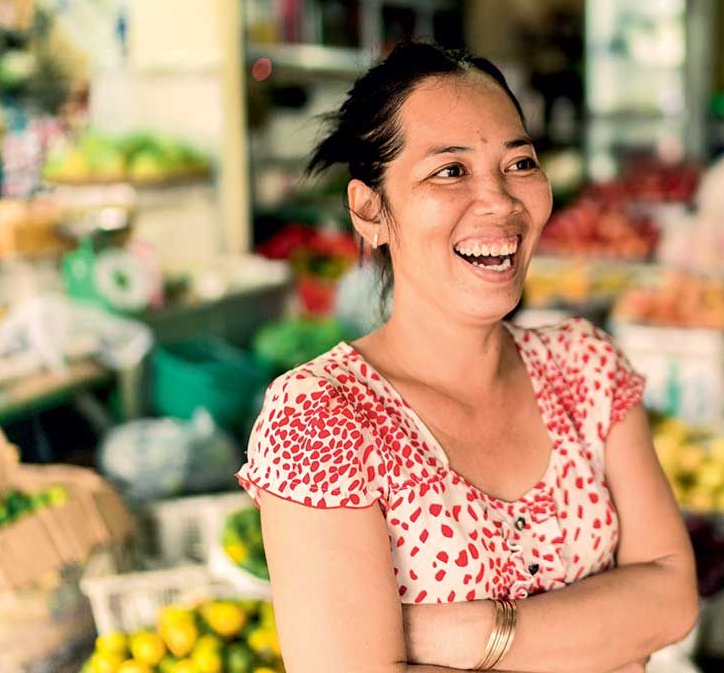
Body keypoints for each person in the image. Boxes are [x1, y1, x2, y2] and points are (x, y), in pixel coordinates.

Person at [237, 41, 698, 673]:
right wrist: (605, 640)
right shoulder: (322, 418)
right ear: (370, 210)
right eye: (450, 171)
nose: (502, 203)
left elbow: (672, 600)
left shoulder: (584, 365)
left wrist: (467, 633)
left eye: (520, 163)